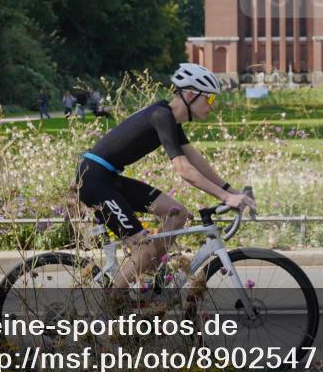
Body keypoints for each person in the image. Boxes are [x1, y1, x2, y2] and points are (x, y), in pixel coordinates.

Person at [77, 63, 256, 292]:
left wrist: (230, 191)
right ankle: (111, 310)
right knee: (145, 249)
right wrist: (223, 196)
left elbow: (196, 161)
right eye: (210, 100)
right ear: (191, 94)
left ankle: (145, 275)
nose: (213, 106)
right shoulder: (161, 115)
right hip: (95, 180)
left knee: (177, 214)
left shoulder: (170, 119)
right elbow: (183, 169)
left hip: (108, 177)